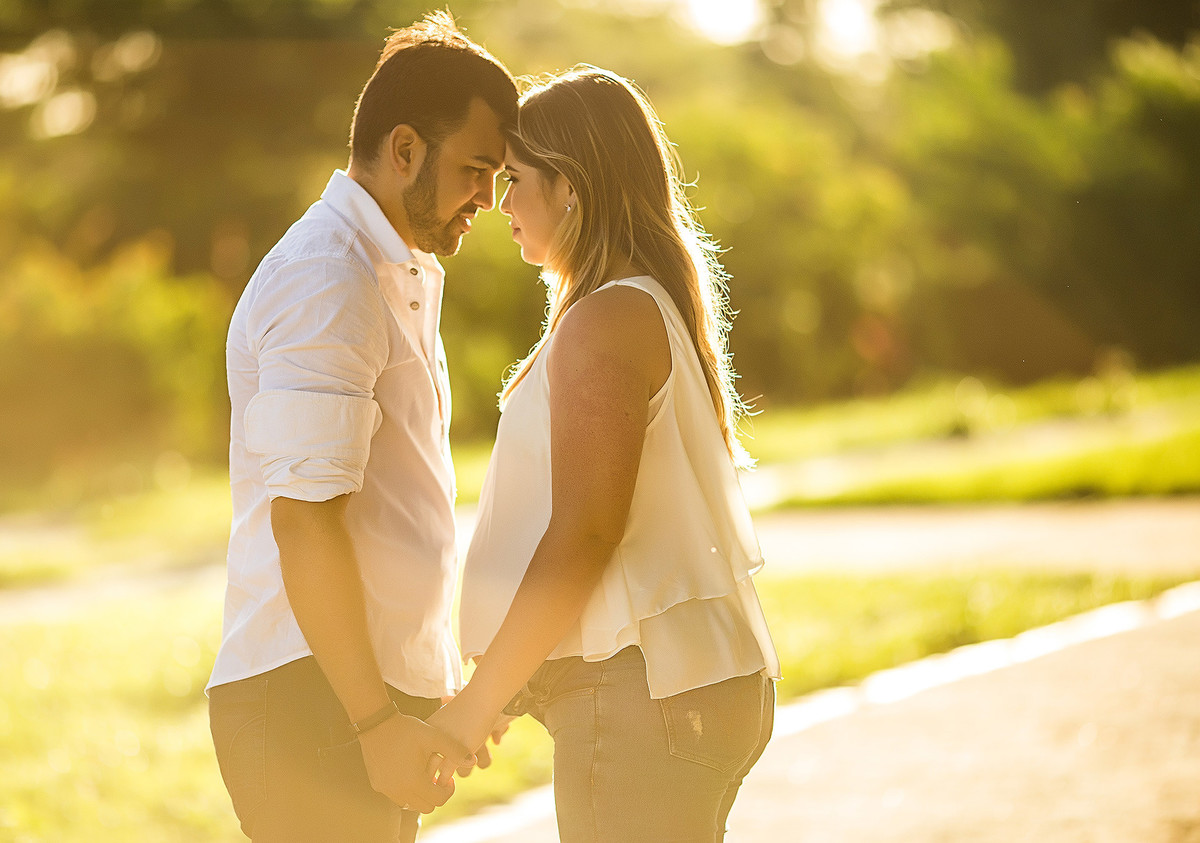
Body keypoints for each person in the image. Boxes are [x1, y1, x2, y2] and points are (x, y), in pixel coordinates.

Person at [428, 67, 781, 842]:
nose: (500, 204)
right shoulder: (642, 302)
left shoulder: (604, 320)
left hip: (640, 698)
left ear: (570, 188)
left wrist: (473, 707)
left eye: (515, 180)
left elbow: (587, 532)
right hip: (683, 688)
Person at [205, 13, 518, 842]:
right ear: (404, 149)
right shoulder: (328, 276)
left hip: (350, 695)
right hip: (313, 701)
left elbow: (395, 510)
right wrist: (374, 722)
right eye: (476, 170)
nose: (489, 199)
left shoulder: (392, 269)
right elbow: (306, 521)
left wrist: (429, 680)